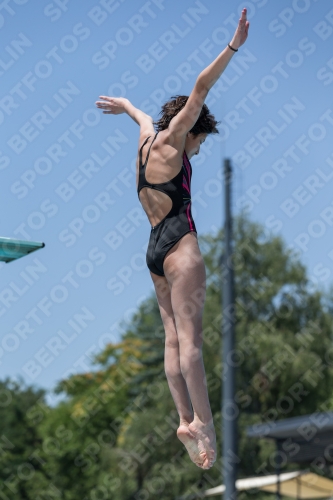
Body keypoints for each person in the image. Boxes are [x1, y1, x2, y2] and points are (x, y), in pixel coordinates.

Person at [96, 9, 249, 470]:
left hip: (153, 251)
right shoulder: (175, 140)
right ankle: (204, 422)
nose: (197, 149)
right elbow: (201, 88)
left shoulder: (147, 141)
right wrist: (233, 46)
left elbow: (142, 117)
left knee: (171, 340)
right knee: (193, 342)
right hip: (180, 245)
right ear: (190, 128)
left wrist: (125, 105)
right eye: (199, 141)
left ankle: (184, 417)